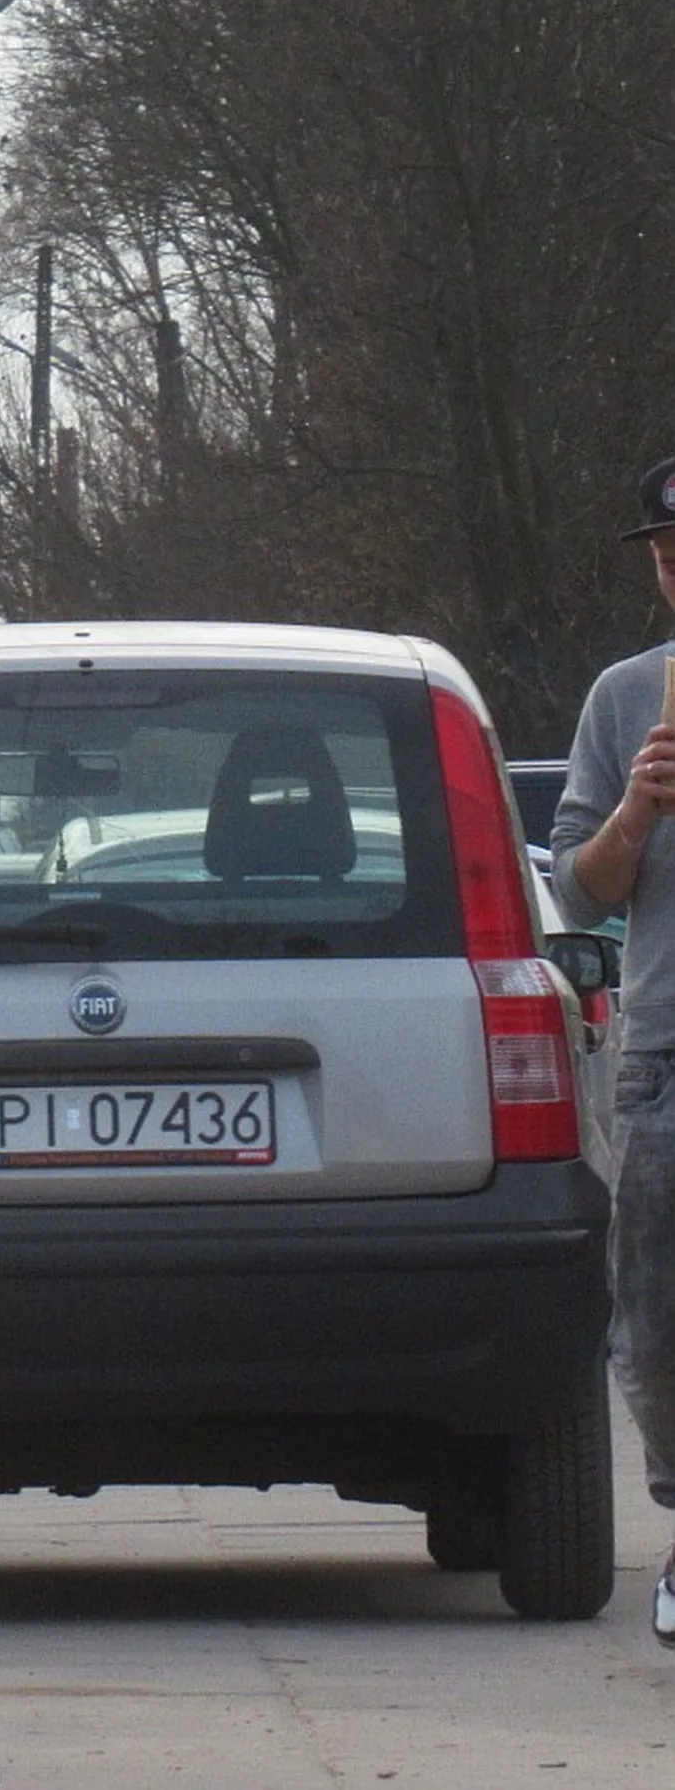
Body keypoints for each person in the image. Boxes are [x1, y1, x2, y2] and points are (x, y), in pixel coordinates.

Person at [553, 450, 675, 1645]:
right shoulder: (624, 698)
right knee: (654, 1318)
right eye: (665, 556)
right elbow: (579, 896)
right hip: (663, 1054)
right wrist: (637, 811)